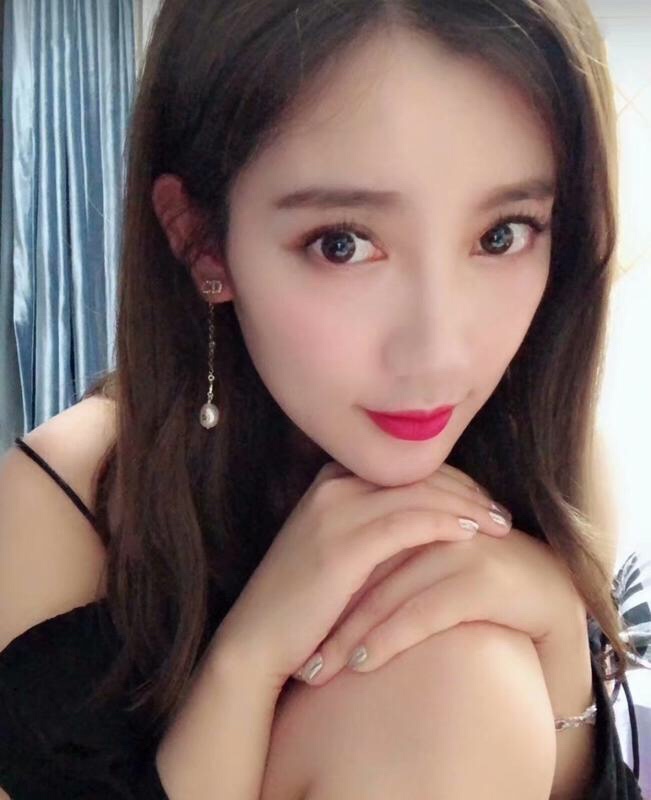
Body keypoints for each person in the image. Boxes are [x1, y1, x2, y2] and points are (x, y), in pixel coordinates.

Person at [0, 0, 645, 798]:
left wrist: (560, 650)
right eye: (342, 243)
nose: (437, 355)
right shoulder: (52, 516)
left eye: (502, 234)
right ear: (202, 241)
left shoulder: (550, 457)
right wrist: (246, 665)